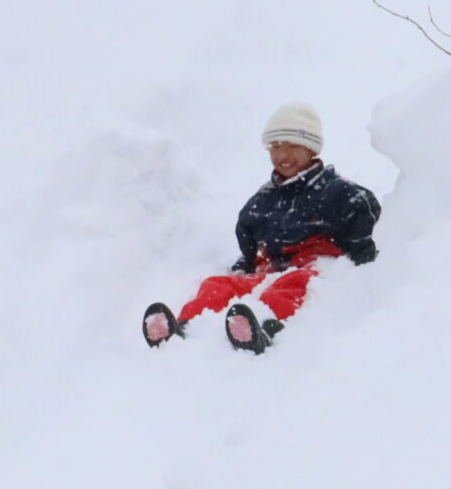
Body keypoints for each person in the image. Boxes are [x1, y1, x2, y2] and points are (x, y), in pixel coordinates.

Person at [142, 103, 381, 354]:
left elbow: (364, 215)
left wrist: (362, 253)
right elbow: (248, 237)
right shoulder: (263, 200)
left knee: (289, 286)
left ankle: (264, 327)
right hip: (271, 268)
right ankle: (185, 327)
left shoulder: (338, 192)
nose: (282, 155)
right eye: (275, 147)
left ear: (311, 148)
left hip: (313, 267)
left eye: (291, 146)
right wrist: (244, 266)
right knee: (217, 284)